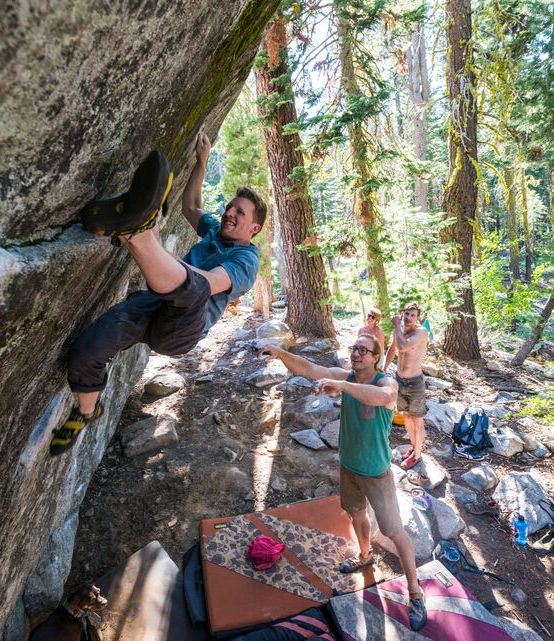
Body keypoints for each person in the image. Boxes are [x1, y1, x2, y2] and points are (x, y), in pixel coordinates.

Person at [53, 132, 266, 455]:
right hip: (154, 304)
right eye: (230, 207)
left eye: (240, 213)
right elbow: (192, 205)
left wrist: (162, 258)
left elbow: (208, 283)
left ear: (254, 229)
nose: (230, 214)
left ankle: (138, 233)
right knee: (87, 348)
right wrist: (202, 161)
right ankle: (86, 411)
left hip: (181, 329)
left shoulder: (246, 259)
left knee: (194, 290)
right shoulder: (213, 231)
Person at [259, 335, 428, 631]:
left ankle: (415, 591)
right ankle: (365, 556)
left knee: (394, 531)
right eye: (354, 349)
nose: (357, 354)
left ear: (375, 357)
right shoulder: (346, 376)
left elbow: (384, 399)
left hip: (376, 472)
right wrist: (280, 353)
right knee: (356, 513)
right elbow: (309, 368)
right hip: (349, 467)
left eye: (364, 350)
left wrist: (342, 387)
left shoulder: (384, 382)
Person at [384, 303, 429, 471]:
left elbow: (403, 346)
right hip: (400, 380)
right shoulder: (401, 330)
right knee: (407, 416)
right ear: (402, 314)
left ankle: (417, 455)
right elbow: (393, 349)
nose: (409, 317)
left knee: (417, 419)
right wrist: (383, 368)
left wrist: (396, 324)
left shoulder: (421, 332)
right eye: (407, 314)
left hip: (415, 382)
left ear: (417, 318)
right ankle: (413, 447)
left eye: (413, 315)